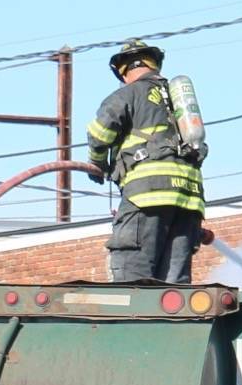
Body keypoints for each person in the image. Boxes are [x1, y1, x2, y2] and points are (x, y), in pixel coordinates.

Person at [86, 39, 207, 284]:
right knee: (174, 290)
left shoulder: (127, 94)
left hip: (146, 194)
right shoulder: (176, 101)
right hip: (189, 199)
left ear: (123, 71)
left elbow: (99, 134)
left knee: (133, 284)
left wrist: (97, 164)